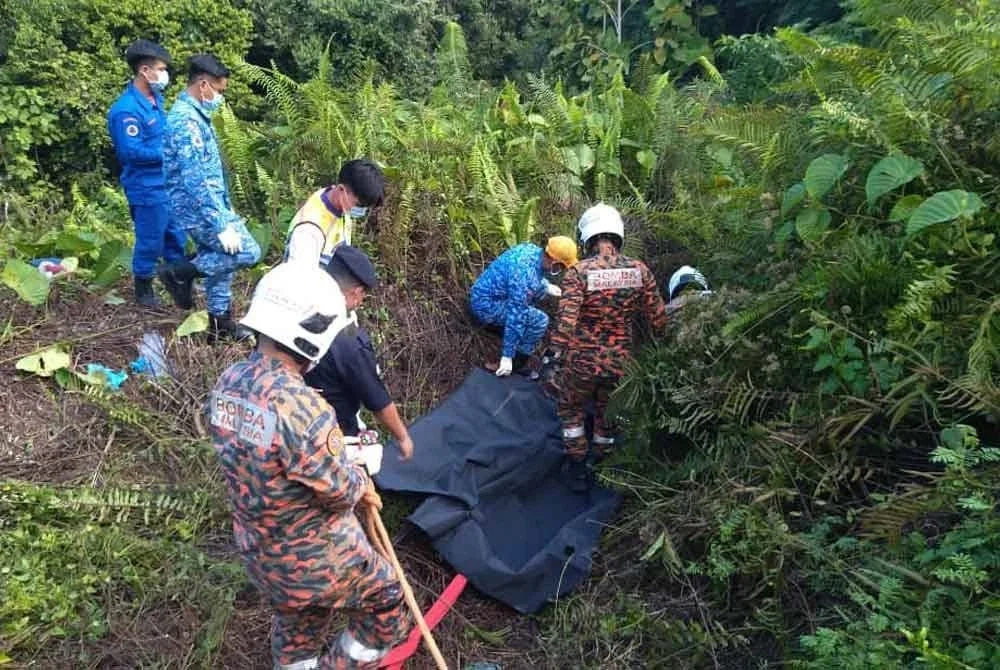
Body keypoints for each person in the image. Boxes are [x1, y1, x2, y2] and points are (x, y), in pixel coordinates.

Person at [209, 262, 411, 670]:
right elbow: (340, 492)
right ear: (314, 330)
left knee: (299, 618)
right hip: (314, 554)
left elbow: (270, 457)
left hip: (259, 549)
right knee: (387, 603)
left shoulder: (229, 381)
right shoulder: (302, 406)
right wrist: (358, 475)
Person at [549, 203, 667, 490]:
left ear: (586, 237)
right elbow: (658, 318)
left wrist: (553, 355)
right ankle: (601, 461)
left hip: (582, 361)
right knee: (608, 410)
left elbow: (566, 322)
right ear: (618, 235)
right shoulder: (639, 270)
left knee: (571, 407)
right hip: (620, 360)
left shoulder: (579, 272)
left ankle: (577, 465)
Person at [159, 54, 261, 341]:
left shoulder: (195, 116)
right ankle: (179, 272)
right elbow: (195, 179)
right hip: (198, 209)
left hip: (210, 205)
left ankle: (220, 325)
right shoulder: (185, 121)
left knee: (224, 258)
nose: (220, 98)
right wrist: (220, 223)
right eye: (219, 90)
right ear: (203, 85)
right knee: (248, 252)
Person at [304, 245, 415, 461]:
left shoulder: (295, 310)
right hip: (332, 436)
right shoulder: (349, 342)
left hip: (289, 420)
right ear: (356, 293)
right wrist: (403, 437)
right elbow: (376, 399)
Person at [107, 39, 186, 307]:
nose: (165, 75)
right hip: (146, 187)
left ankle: (179, 280)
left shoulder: (155, 99)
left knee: (176, 236)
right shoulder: (126, 110)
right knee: (151, 240)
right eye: (161, 69)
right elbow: (130, 152)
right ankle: (143, 290)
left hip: (167, 184)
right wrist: (168, 153)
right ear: (144, 70)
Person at [469, 236, 579, 376]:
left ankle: (510, 339)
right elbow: (516, 315)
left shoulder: (530, 250)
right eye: (562, 267)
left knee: (533, 301)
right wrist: (507, 356)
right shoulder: (524, 274)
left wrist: (545, 286)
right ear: (554, 262)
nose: (561, 270)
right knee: (540, 321)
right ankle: (517, 363)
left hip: (487, 295)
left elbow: (532, 275)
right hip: (485, 306)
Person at [285, 159, 386, 266]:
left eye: (366, 207)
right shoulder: (308, 231)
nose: (362, 211)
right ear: (341, 189)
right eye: (359, 205)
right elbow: (301, 274)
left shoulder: (340, 204)